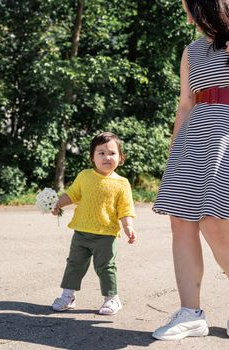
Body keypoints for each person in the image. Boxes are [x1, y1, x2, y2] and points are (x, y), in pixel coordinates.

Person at [152, 0, 229, 341]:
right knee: (181, 222)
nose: (187, 17)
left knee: (215, 222)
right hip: (193, 140)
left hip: (226, 139)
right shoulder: (191, 51)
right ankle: (190, 313)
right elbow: (185, 104)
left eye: (190, 9)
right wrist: (173, 154)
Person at [51, 132, 136, 315]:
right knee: (74, 264)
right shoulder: (85, 176)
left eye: (112, 153)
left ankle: (112, 298)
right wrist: (59, 203)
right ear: (92, 157)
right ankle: (68, 296)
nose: (107, 157)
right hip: (81, 231)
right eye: (101, 153)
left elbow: (126, 208)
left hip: (106, 234)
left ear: (121, 158)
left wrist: (128, 226)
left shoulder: (122, 183)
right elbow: (72, 194)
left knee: (106, 267)